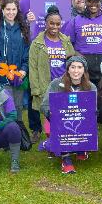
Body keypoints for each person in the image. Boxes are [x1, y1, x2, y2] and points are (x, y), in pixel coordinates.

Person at [41, 55, 97, 173]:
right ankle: (65, 158)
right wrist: (52, 114)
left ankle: (81, 148)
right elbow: (44, 105)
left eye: (79, 67)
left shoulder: (91, 87)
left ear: (84, 70)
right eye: (73, 67)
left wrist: (93, 113)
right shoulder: (56, 84)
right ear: (68, 69)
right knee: (57, 138)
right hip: (58, 122)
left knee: (87, 126)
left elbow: (94, 108)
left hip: (80, 122)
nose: (76, 71)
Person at [28, 7, 75, 135]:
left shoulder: (65, 41)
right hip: (46, 84)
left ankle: (65, 135)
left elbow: (72, 62)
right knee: (49, 114)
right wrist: (35, 89)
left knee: (64, 113)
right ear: (46, 23)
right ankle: (52, 138)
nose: (55, 26)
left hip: (63, 83)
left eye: (58, 24)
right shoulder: (37, 43)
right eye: (51, 23)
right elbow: (32, 68)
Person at [0, 0, 29, 123]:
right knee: (5, 107)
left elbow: (27, 52)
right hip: (2, 76)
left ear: (18, 10)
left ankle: (19, 136)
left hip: (19, 76)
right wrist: (6, 71)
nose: (11, 12)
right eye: (8, 9)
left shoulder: (23, 28)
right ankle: (4, 136)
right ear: (2, 10)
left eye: (14, 9)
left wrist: (23, 69)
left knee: (18, 106)